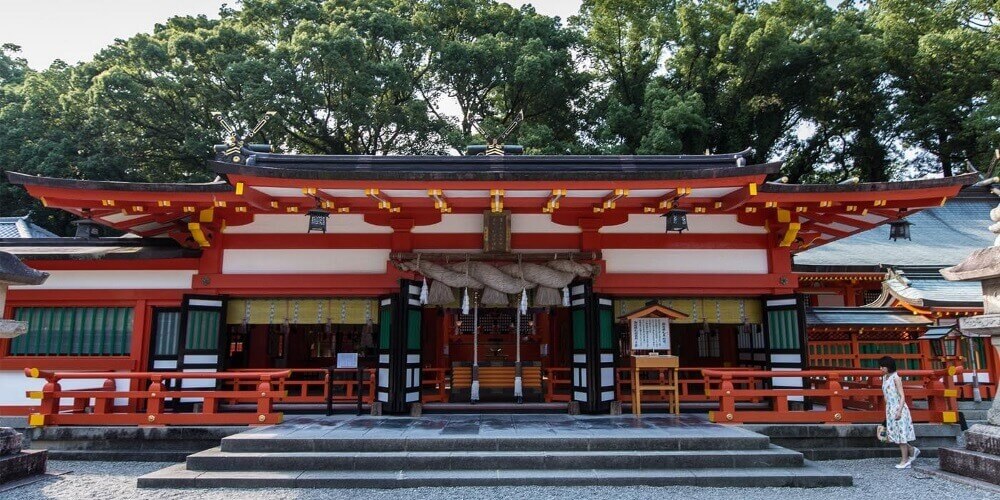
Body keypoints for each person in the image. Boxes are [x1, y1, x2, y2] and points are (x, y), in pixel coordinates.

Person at [879, 356, 919, 468]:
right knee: (896, 434)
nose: (881, 368)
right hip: (890, 408)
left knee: (901, 435)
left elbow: (902, 396)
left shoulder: (896, 378)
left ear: (888, 367)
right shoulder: (884, 378)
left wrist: (899, 411)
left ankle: (905, 461)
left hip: (899, 408)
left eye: (882, 366)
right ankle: (912, 450)